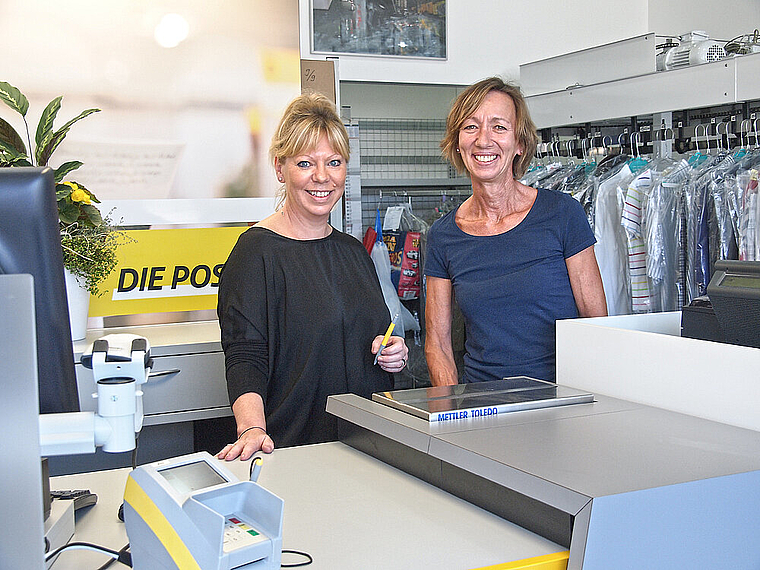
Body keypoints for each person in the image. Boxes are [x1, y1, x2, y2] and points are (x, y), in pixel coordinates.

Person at [217, 92, 408, 461]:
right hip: (295, 451)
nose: (322, 177)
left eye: (334, 162)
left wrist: (392, 354)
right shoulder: (255, 254)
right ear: (279, 168)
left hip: (368, 445)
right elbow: (244, 356)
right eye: (305, 163)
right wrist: (252, 429)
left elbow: (374, 338)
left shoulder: (353, 252)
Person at [424, 77, 606, 386]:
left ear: (519, 143)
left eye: (499, 127)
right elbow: (438, 344)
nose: (484, 140)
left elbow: (596, 324)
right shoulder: (443, 235)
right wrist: (452, 413)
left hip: (561, 400)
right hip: (483, 405)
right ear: (457, 142)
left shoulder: (562, 214)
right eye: (470, 126)